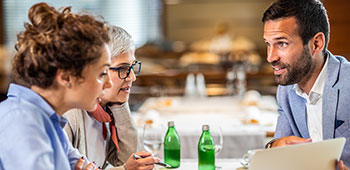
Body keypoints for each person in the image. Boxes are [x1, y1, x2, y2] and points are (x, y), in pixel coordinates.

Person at [0, 2, 112, 170]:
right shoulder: (23, 124)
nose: (109, 83)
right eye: (102, 74)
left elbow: (86, 166)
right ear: (66, 76)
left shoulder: (48, 118)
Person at [262, 0, 350, 169]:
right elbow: (280, 147)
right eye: (268, 44)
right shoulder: (286, 90)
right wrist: (273, 146)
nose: (270, 57)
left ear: (316, 44)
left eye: (282, 43)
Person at [64, 25, 159, 170]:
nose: (132, 77)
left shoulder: (104, 111)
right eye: (123, 68)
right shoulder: (70, 114)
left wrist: (120, 104)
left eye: (132, 67)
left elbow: (129, 158)